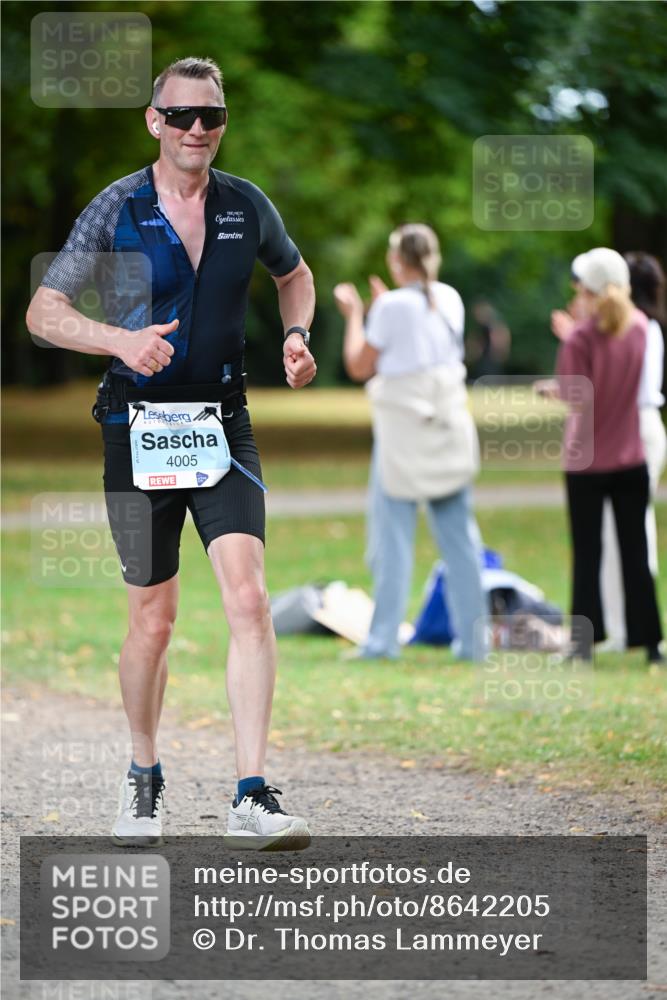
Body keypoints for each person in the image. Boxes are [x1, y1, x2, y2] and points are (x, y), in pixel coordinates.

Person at [26, 57, 317, 849]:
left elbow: (295, 275)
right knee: (153, 621)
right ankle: (144, 776)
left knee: (250, 600)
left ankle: (251, 794)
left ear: (223, 123)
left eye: (211, 117)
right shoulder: (116, 207)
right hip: (136, 427)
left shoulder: (244, 206)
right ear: (153, 120)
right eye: (182, 115)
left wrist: (296, 335)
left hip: (223, 423)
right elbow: (44, 311)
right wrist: (117, 339)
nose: (198, 129)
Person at [333, 224, 487, 661]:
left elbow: (359, 365)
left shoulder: (393, 307)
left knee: (391, 540)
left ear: (397, 260)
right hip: (447, 429)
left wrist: (355, 316)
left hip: (403, 435)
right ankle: (475, 643)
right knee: (460, 538)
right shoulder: (450, 298)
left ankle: (382, 640)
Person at [552, 252, 666, 652]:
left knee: (588, 556)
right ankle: (650, 640)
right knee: (635, 553)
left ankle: (584, 642)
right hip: (630, 456)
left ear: (588, 291)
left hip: (586, 461)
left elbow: (572, 395)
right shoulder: (639, 328)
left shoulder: (581, 338)